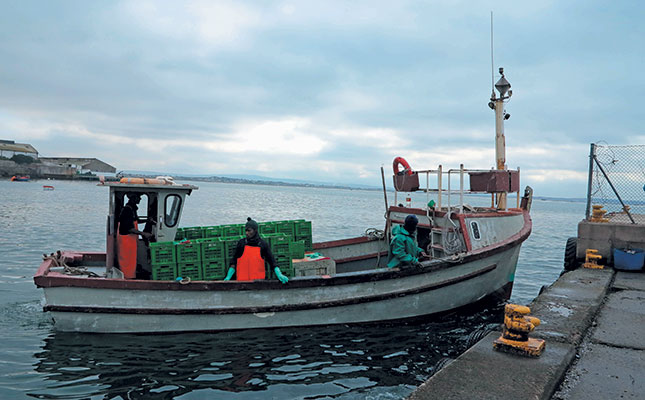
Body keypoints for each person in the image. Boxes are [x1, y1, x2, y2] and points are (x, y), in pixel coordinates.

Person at [224, 217, 289, 284]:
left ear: (255, 231)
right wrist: (228, 277)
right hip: (242, 283)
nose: (247, 233)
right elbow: (234, 262)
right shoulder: (241, 243)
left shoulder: (263, 244)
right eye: (246, 230)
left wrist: (279, 274)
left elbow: (272, 262)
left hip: (259, 284)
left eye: (249, 231)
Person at [117, 193, 153, 279]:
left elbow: (136, 220)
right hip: (126, 242)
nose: (140, 199)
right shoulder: (127, 210)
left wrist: (148, 220)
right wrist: (144, 234)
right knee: (127, 261)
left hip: (130, 242)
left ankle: (131, 276)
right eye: (138, 197)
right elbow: (130, 228)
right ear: (133, 198)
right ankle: (127, 278)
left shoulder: (132, 209)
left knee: (131, 261)